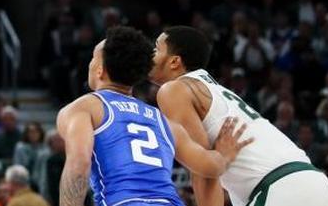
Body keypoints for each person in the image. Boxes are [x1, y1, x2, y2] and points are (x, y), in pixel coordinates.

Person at [56, 26, 252, 206]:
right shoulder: (162, 119)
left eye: (93, 58)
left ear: (100, 70)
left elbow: (79, 164)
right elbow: (210, 167)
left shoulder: (84, 107)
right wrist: (224, 155)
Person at [150, 26, 328, 206]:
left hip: (280, 186)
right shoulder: (215, 90)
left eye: (157, 48)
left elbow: (203, 170)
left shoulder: (174, 90)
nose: (150, 54)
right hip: (309, 181)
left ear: (174, 61)